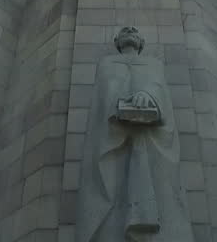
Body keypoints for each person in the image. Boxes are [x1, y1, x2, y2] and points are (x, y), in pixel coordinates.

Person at [76, 27, 193, 242]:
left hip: (151, 141)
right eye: (124, 32)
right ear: (116, 41)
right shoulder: (107, 64)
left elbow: (159, 90)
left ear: (141, 43)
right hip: (115, 133)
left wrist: (148, 96)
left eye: (134, 31)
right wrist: (121, 104)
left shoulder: (154, 64)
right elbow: (104, 95)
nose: (129, 31)